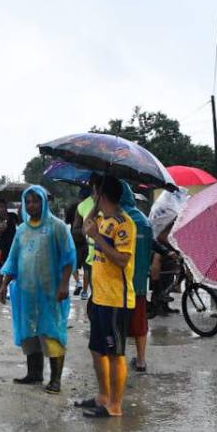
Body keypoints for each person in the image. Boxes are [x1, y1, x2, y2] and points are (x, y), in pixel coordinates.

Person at [0, 185, 77, 393]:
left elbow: (69, 257)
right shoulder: (22, 230)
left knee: (52, 331)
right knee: (29, 332)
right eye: (28, 202)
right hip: (26, 292)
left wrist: (64, 284)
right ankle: (34, 374)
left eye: (36, 201)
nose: (31, 205)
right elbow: (13, 260)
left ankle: (56, 380)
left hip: (51, 292)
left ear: (44, 202)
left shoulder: (57, 226)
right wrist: (4, 285)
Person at [78, 176, 136, 418]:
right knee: (96, 350)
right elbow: (86, 227)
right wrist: (94, 213)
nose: (92, 197)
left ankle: (115, 405)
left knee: (114, 354)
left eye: (95, 193)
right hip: (99, 297)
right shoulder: (101, 219)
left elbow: (122, 260)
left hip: (116, 300)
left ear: (101, 194)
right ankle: (103, 396)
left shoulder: (124, 224)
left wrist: (98, 238)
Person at [120, 183, 154, 372]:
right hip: (139, 282)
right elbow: (150, 249)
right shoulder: (144, 220)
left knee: (116, 323)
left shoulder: (115, 218)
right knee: (140, 323)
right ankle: (141, 360)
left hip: (117, 282)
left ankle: (117, 360)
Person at [0, 198, 21, 293]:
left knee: (14, 268)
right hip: (2, 248)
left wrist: (20, 213)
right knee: (1, 270)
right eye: (1, 207)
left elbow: (21, 224)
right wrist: (1, 230)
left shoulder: (12, 216)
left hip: (13, 247)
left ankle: (10, 290)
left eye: (5, 206)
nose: (4, 209)